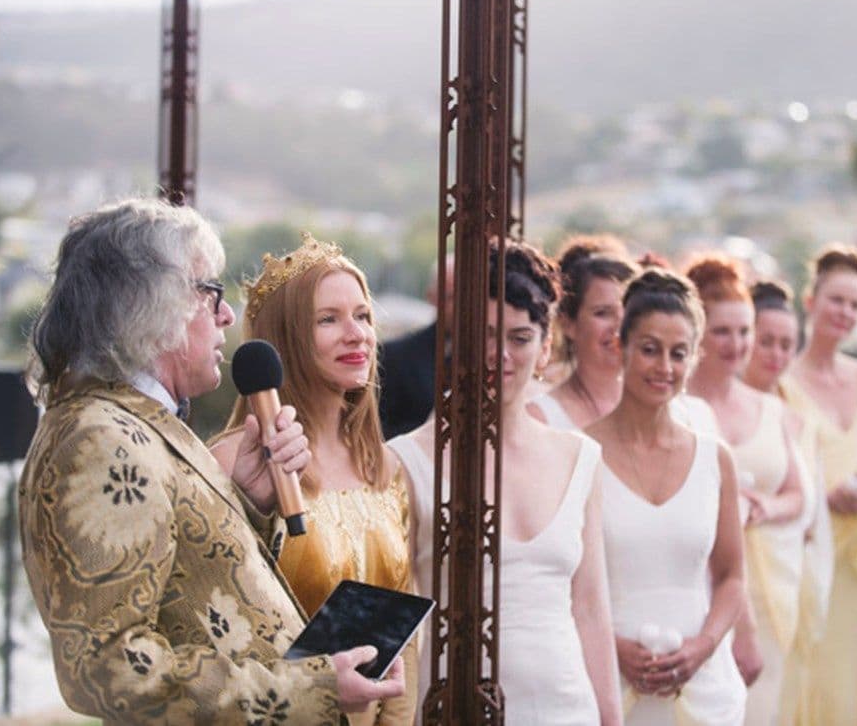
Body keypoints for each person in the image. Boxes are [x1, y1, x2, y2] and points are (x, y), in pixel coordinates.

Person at [17, 199, 404, 725]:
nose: (227, 315)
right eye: (211, 294)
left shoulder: (133, 424)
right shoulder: (100, 437)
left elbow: (194, 596)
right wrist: (311, 688)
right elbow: (106, 667)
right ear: (151, 304)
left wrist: (246, 499)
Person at [388, 239, 622, 725]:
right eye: (486, 334)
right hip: (456, 710)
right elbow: (398, 614)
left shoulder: (580, 456)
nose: (500, 355)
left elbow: (592, 611)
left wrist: (610, 719)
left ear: (544, 347)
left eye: (519, 338)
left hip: (566, 708)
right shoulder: (407, 460)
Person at [211, 234, 417, 725]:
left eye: (363, 316)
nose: (357, 334)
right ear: (282, 341)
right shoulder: (230, 462)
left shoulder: (383, 466)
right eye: (328, 319)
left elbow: (402, 642)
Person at [587, 267, 747, 726]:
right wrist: (613, 649)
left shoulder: (716, 460)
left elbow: (733, 576)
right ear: (620, 348)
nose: (664, 368)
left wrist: (702, 647)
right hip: (608, 683)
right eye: (650, 350)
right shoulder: (578, 456)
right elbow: (563, 583)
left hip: (702, 689)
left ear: (694, 358)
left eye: (678, 354)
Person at [684, 256, 805, 724]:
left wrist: (766, 507)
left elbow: (799, 496)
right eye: (722, 331)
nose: (736, 344)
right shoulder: (681, 408)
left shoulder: (769, 408)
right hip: (704, 590)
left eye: (744, 331)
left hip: (771, 588)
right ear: (698, 333)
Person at [781, 243, 857, 726]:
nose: (845, 312)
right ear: (811, 300)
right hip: (808, 559)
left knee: (852, 685)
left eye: (855, 304)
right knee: (809, 680)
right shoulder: (781, 380)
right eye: (836, 299)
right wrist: (825, 500)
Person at [742, 279, 834, 726]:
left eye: (787, 344)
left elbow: (806, 497)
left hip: (783, 572)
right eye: (766, 342)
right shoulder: (709, 406)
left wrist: (769, 506)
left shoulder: (795, 412)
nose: (776, 355)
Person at [528, 234, 637, 429]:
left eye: (629, 311)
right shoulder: (540, 417)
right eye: (603, 313)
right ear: (568, 323)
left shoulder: (664, 408)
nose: (619, 326)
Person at [378, 257, 454, 439]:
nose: (463, 305)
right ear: (431, 297)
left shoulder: (496, 356)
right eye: (451, 296)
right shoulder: (395, 355)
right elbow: (378, 429)